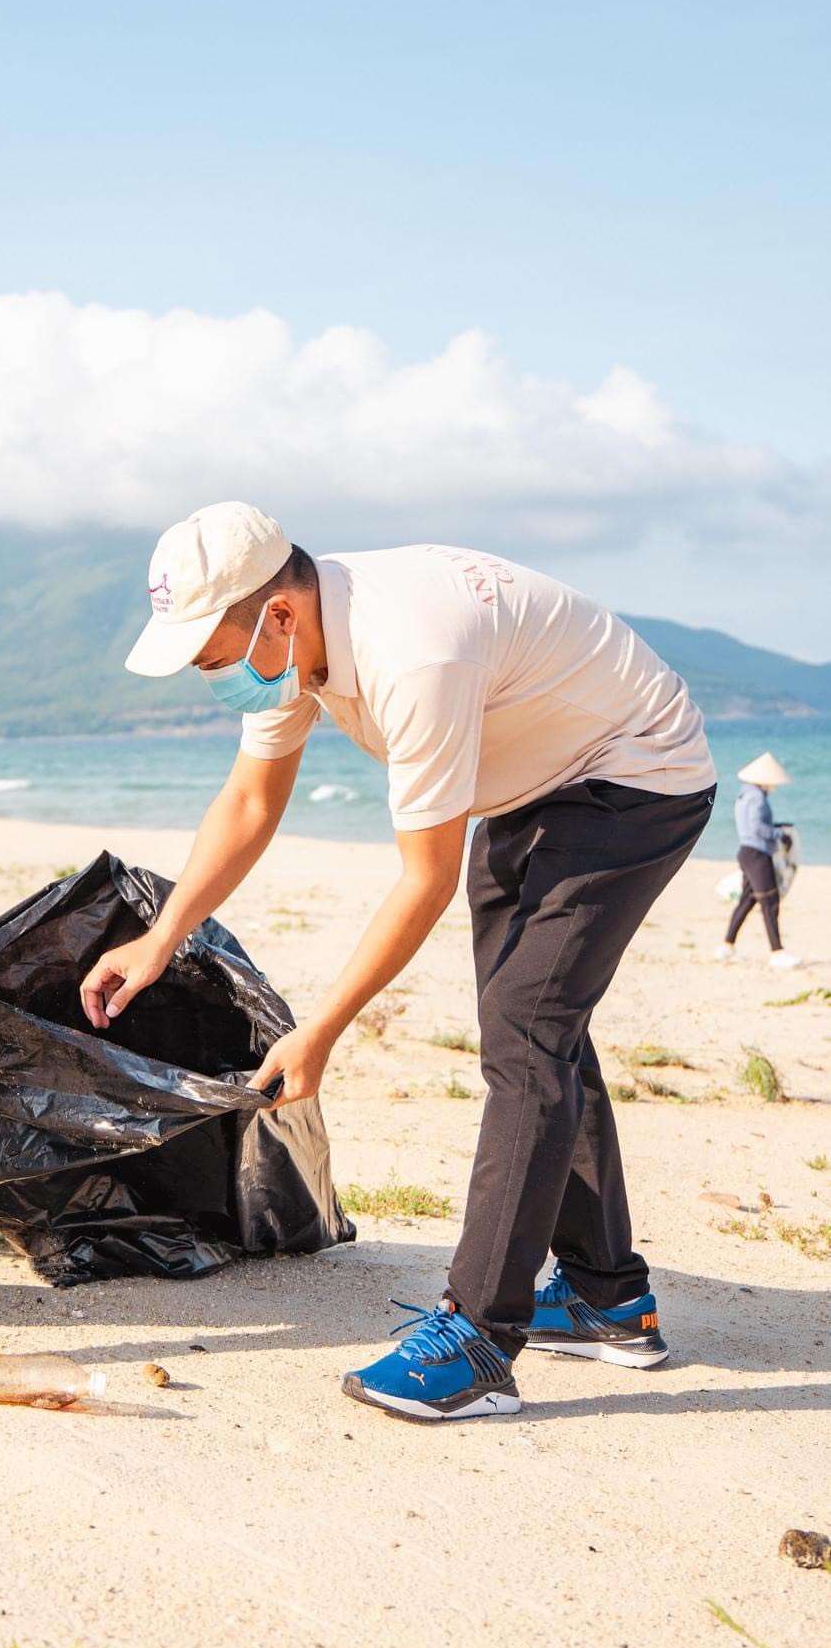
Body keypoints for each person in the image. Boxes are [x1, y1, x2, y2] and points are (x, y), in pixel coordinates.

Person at [81, 505, 716, 1425]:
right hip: (530, 779)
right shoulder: (294, 648)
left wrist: (320, 1031)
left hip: (631, 776)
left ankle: (479, 1337)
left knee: (525, 1032)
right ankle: (607, 1298)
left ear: (279, 615)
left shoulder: (410, 652)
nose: (201, 672)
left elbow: (423, 881)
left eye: (207, 654)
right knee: (534, 1024)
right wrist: (160, 936)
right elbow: (252, 801)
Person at [715, 752, 800, 970]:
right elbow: (758, 828)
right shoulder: (757, 797)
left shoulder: (745, 794)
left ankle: (727, 946)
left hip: (747, 851)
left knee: (748, 901)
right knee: (770, 902)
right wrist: (781, 835)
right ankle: (777, 952)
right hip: (757, 854)